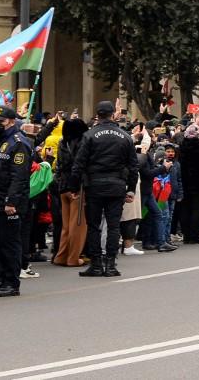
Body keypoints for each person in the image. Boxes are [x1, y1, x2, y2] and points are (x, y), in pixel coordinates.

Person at [67, 101, 138, 278]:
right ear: (113, 114)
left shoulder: (90, 135)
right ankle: (111, 264)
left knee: (93, 226)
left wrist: (73, 187)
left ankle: (97, 264)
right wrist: (130, 190)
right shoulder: (125, 136)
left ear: (97, 114)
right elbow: (133, 166)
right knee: (114, 226)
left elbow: (79, 164)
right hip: (117, 186)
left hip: (95, 185)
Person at [0, 106, 32, 297]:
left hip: (8, 203)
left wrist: (11, 201)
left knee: (9, 244)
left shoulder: (18, 143)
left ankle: (11, 282)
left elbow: (18, 177)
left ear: (10, 121)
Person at [53, 118, 89, 267]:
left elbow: (59, 166)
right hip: (77, 187)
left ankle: (61, 256)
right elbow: (80, 166)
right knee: (78, 225)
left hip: (63, 186)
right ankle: (74, 258)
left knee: (66, 226)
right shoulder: (82, 143)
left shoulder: (62, 143)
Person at [178, 123, 199, 244]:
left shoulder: (182, 147)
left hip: (185, 182)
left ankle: (186, 235)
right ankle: (194, 235)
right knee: (197, 209)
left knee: (185, 209)